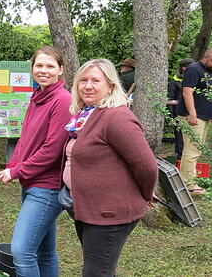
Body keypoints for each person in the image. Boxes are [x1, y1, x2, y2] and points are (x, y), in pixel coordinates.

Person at [62, 59, 158, 276]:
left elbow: (146, 165)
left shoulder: (117, 117)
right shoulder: (88, 115)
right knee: (100, 269)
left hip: (109, 214)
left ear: (111, 86)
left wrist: (144, 194)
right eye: (83, 80)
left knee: (97, 273)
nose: (88, 86)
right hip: (89, 210)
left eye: (96, 81)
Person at [0, 46, 72, 277]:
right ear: (32, 68)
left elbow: (52, 150)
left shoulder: (62, 100)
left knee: (21, 251)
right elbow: (26, 137)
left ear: (60, 70)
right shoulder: (37, 96)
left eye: (50, 66)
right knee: (45, 252)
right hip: (31, 183)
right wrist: (13, 164)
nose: (44, 71)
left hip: (47, 187)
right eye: (39, 65)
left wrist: (18, 170)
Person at [176, 47, 212, 194]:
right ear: (205, 57)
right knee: (192, 148)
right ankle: (189, 183)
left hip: (206, 116)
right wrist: (192, 113)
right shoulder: (193, 69)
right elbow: (187, 92)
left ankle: (188, 179)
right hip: (193, 116)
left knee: (197, 149)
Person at [166, 58, 194, 158]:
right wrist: (172, 117)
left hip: (192, 113)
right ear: (184, 68)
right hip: (178, 114)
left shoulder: (194, 78)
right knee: (180, 137)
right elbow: (170, 98)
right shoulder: (175, 81)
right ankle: (179, 159)